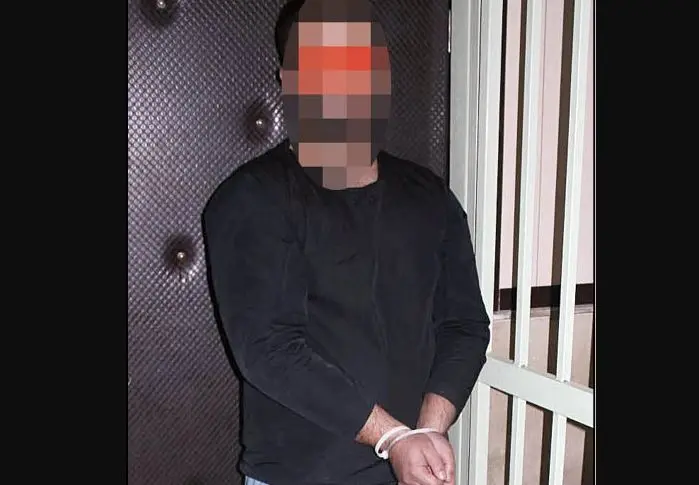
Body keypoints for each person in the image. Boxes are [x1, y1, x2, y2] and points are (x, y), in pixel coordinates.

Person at [202, 1, 490, 484]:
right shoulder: (252, 198)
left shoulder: (430, 196)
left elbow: (465, 324)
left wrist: (426, 431)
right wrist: (392, 437)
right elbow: (270, 350)